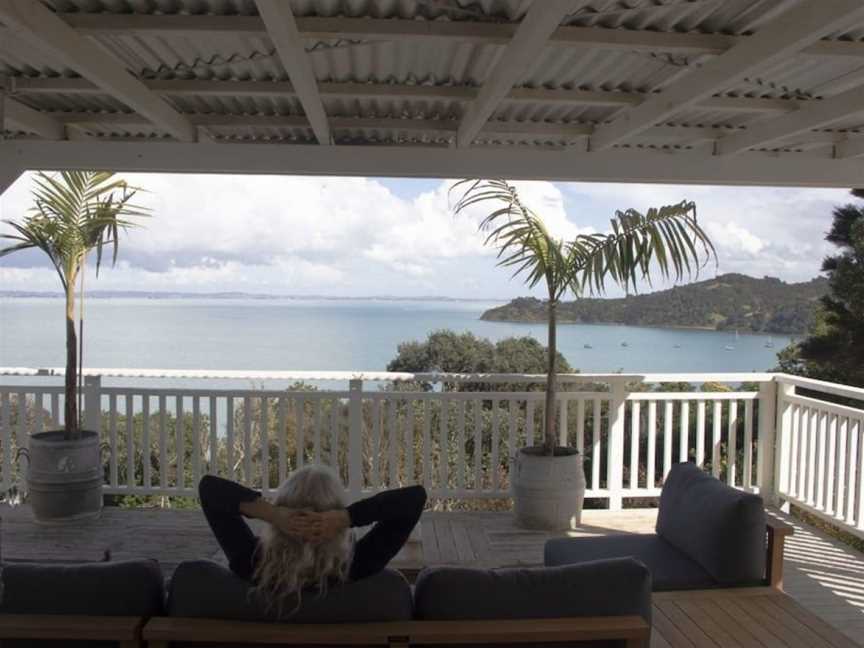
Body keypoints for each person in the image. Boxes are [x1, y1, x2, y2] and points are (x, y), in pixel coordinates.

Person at [198, 466, 426, 613]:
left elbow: (209, 488)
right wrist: (347, 517)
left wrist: (273, 514)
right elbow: (414, 498)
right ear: (335, 512)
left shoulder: (251, 564)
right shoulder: (358, 565)